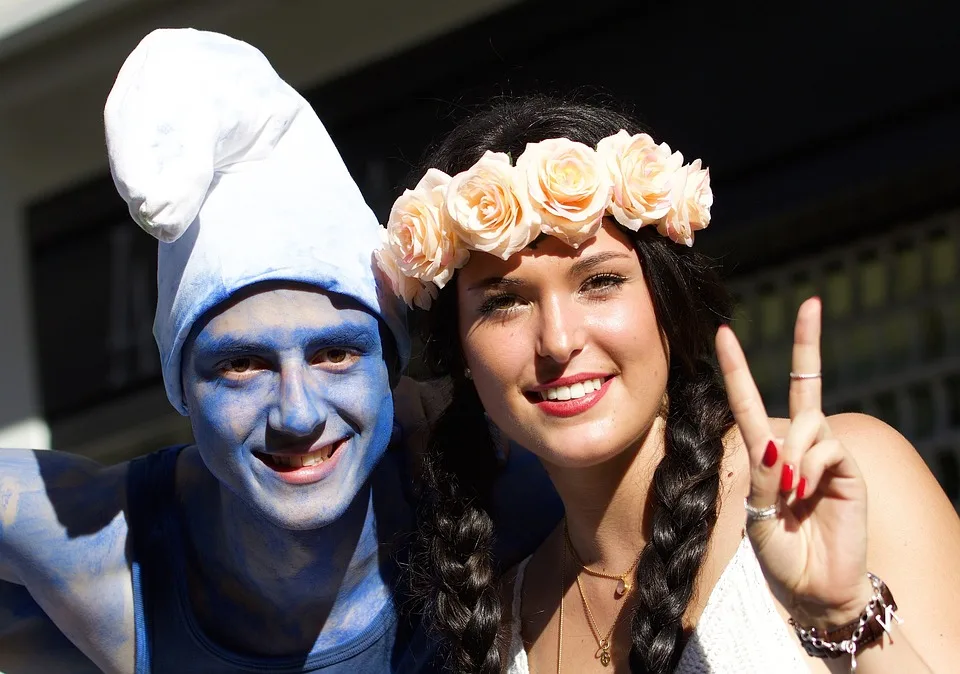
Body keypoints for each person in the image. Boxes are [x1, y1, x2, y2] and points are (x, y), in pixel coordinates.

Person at [0, 30, 560, 674]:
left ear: (393, 368)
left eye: (335, 355)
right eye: (241, 365)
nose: (297, 414)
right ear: (181, 384)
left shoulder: (520, 491)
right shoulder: (107, 557)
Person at [375, 96, 960, 672]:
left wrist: (845, 617)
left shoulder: (840, 480)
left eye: (600, 282)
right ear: (460, 355)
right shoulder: (495, 631)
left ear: (668, 303)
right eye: (504, 303)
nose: (557, 340)